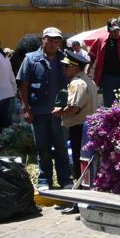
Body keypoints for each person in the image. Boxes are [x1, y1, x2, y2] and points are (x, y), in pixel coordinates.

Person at [17, 27, 72, 191]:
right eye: (50, 40)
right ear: (43, 40)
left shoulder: (66, 59)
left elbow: (72, 82)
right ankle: (44, 181)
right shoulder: (30, 59)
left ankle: (65, 179)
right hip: (39, 111)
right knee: (43, 148)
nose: (54, 44)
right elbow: (24, 84)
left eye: (57, 41)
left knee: (62, 147)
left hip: (60, 112)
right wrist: (26, 108)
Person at [52, 50, 99, 214]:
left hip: (79, 127)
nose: (63, 69)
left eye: (66, 66)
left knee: (80, 168)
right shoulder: (87, 80)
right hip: (87, 127)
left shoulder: (77, 83)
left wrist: (59, 113)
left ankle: (79, 204)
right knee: (86, 166)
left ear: (75, 67)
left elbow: (74, 107)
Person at [88, 18, 120, 107]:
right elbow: (91, 56)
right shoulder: (100, 40)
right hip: (107, 77)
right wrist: (87, 70)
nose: (115, 33)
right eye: (113, 31)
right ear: (108, 30)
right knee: (109, 104)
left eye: (117, 30)